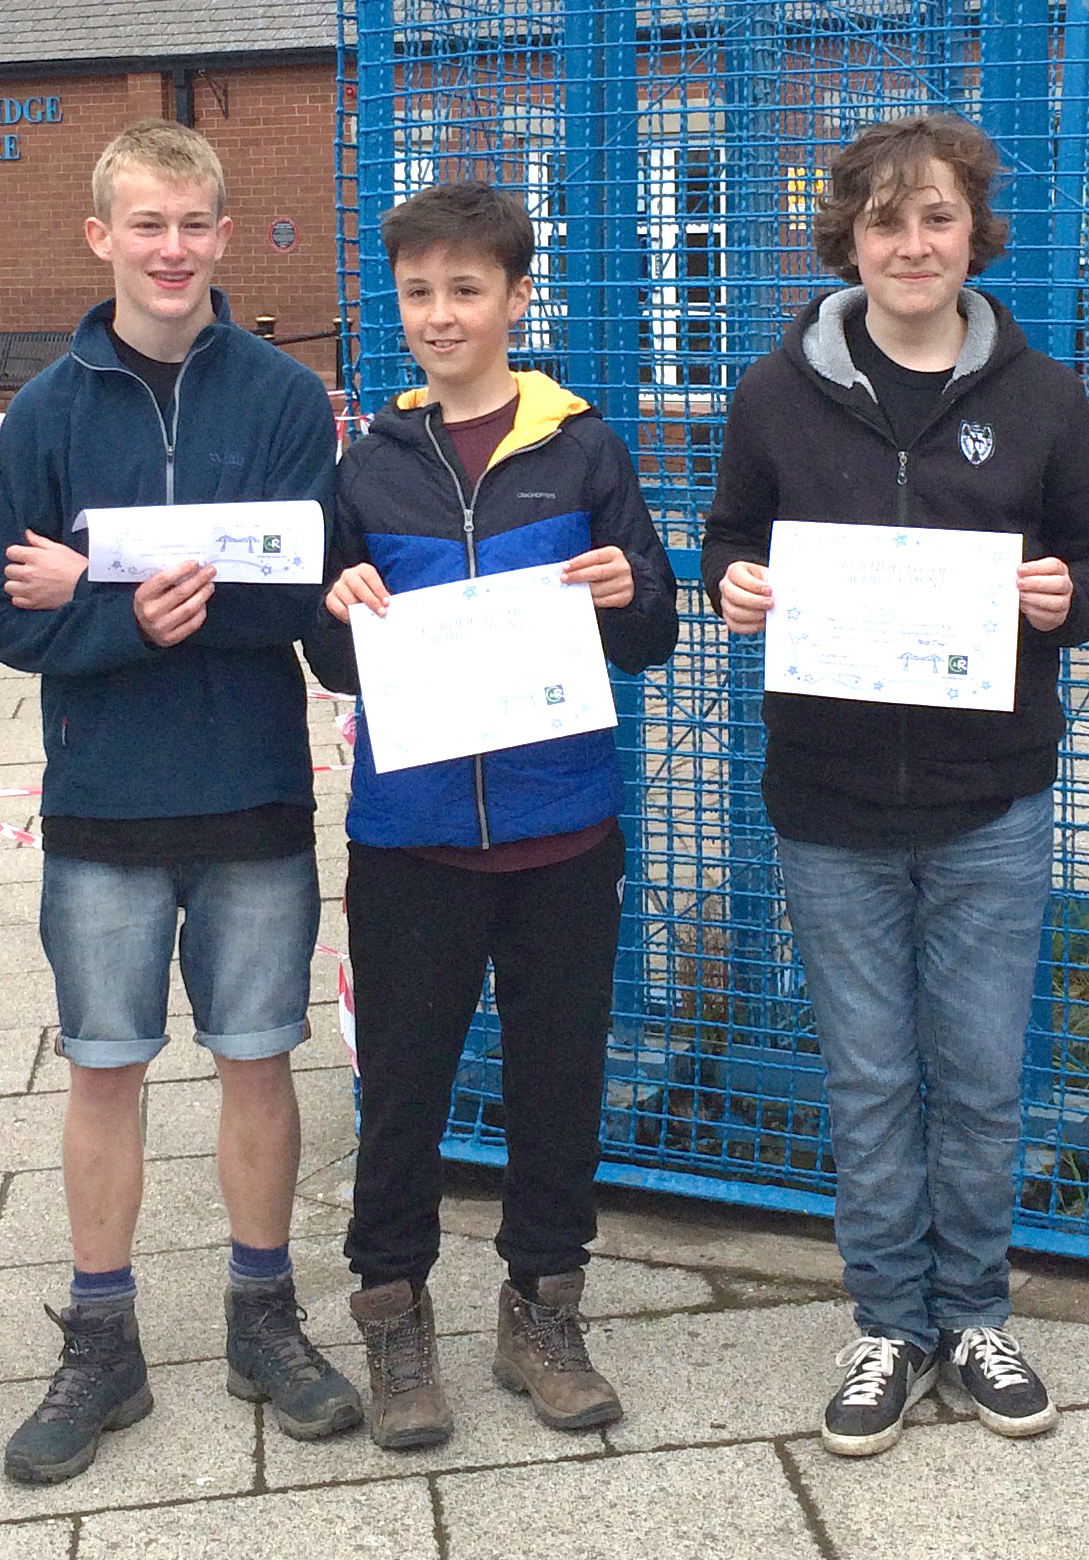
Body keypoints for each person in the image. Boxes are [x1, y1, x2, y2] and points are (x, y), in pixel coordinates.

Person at [702, 114, 1089, 1457]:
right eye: (886, 222)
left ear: (972, 234)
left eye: (936, 218)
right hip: (829, 805)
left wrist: (1071, 600)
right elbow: (726, 538)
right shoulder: (777, 393)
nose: (912, 244)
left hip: (990, 800)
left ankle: (977, 1316)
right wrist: (735, 584)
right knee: (872, 1079)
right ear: (850, 240)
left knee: (985, 1074)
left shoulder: (1044, 396)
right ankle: (889, 1322)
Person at [0, 118, 362, 1485]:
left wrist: (114, 595)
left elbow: (301, 591)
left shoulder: (278, 399)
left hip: (253, 785)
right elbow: (1, 626)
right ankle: (103, 1342)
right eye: (148, 224)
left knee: (258, 1052)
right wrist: (128, 619)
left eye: (196, 222)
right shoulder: (45, 412)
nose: (174, 248)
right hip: (104, 801)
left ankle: (265, 1314)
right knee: (105, 1066)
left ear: (225, 233)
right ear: (101, 238)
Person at [313, 181, 678, 1449]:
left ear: (517, 300)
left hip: (562, 833)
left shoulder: (583, 447)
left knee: (555, 1079)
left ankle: (541, 1308)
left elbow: (652, 631)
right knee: (404, 1084)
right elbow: (335, 660)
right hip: (411, 839)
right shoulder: (370, 461)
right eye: (418, 292)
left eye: (466, 290)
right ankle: (394, 1314)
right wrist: (338, 606)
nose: (439, 315)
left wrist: (631, 583)